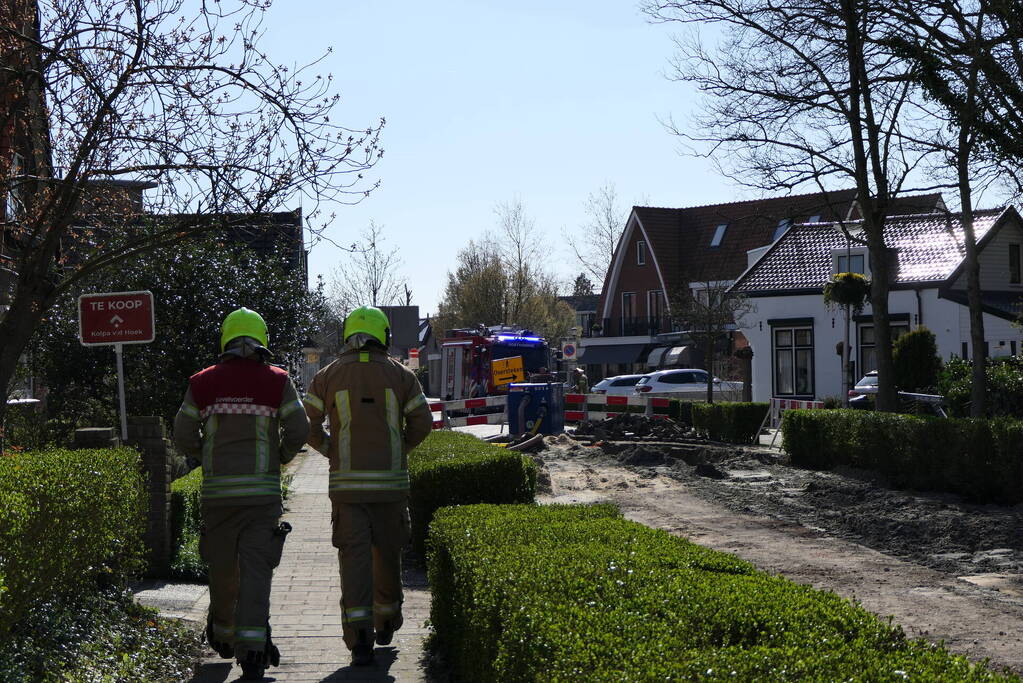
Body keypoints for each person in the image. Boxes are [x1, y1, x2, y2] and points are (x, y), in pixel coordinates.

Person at [174, 307, 309, 680]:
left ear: (226, 340)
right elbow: (299, 428)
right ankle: (252, 651)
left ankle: (222, 633)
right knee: (256, 573)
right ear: (261, 340)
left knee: (221, 569)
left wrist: (207, 457)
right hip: (261, 497)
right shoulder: (277, 381)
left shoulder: (202, 382)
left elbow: (182, 434)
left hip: (218, 497)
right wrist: (279, 458)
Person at [302, 305, 433, 666]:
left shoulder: (327, 376)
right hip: (390, 488)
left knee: (354, 563)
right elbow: (422, 424)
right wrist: (398, 449)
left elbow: (305, 425)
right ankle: (387, 620)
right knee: (388, 557)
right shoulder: (402, 376)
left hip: (347, 490)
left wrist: (333, 452)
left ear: (348, 337)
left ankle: (359, 639)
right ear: (384, 337)